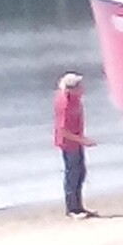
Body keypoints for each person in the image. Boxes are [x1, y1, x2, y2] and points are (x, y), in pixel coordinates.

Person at [53, 72, 96, 217]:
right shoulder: (65, 103)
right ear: (72, 89)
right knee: (73, 174)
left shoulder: (75, 99)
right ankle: (72, 209)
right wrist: (82, 140)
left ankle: (79, 207)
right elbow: (62, 130)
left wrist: (81, 139)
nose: (83, 88)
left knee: (80, 172)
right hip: (68, 143)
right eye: (79, 86)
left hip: (76, 142)